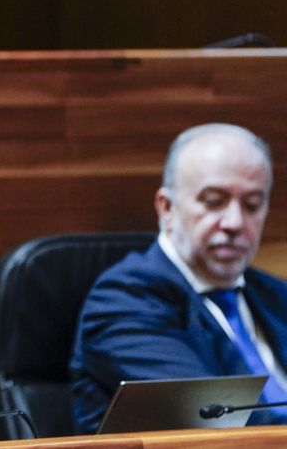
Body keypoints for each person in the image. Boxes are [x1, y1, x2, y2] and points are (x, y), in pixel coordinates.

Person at [71, 123, 287, 433]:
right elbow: (219, 421)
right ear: (167, 208)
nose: (235, 222)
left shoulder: (276, 295)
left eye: (252, 204)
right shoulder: (123, 301)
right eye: (214, 201)